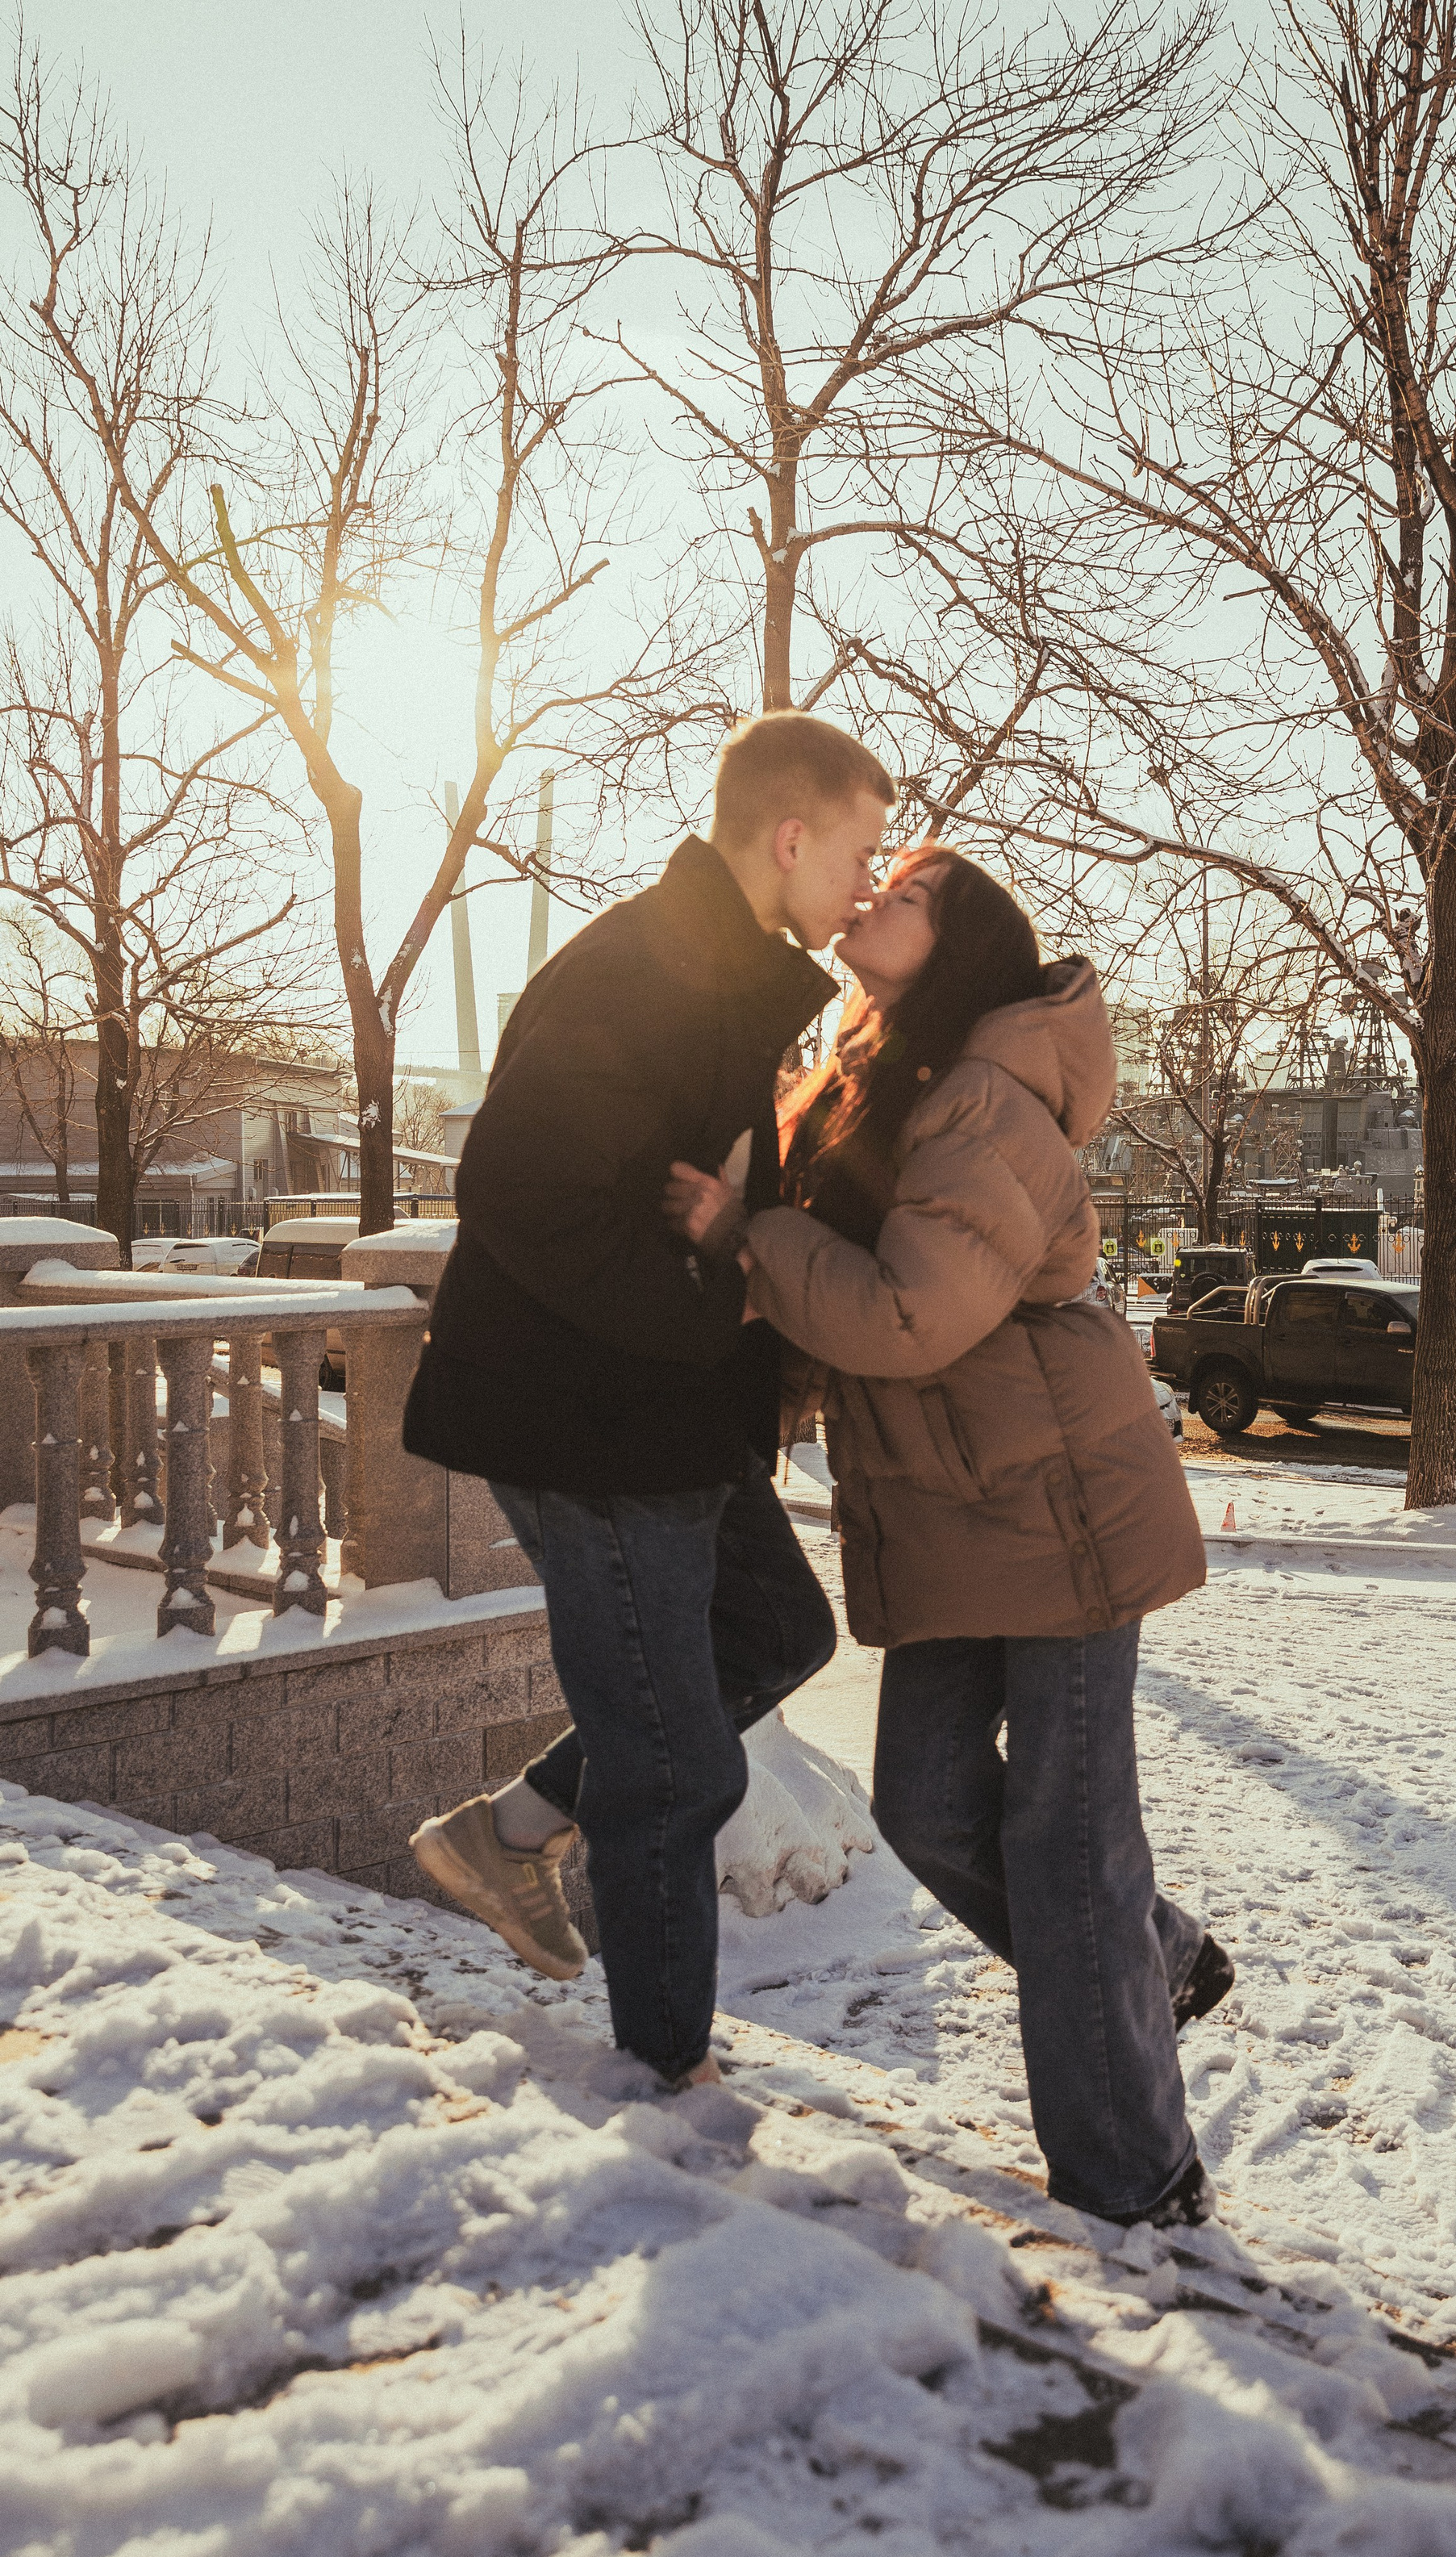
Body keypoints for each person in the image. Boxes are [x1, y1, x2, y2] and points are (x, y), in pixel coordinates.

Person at [665, 846, 1230, 2227]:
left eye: (907, 894)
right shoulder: (879, 1080)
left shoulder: (986, 1098)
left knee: (1064, 1833)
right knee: (923, 1803)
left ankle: (1138, 2179)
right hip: (948, 1502)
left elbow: (909, 1313)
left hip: (1059, 1496)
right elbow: (834, 1298)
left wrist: (751, 1240)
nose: (872, 899)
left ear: (962, 945)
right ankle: (1148, 1958)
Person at [402, 710, 892, 2091]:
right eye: (857, 848)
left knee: (780, 1631)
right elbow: (511, 1188)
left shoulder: (724, 971)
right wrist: (706, 1306)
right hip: (595, 1425)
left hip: (666, 1417)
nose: (865, 880)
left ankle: (513, 1833)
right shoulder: (647, 970)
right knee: (677, 1772)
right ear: (789, 836)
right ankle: (668, 2082)